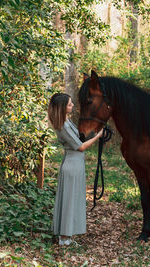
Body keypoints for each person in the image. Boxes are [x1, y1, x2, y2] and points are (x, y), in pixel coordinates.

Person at [48, 93, 103, 245]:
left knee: (72, 199)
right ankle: (64, 237)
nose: (72, 106)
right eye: (70, 104)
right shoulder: (63, 126)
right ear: (62, 107)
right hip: (72, 164)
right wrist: (98, 136)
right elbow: (80, 146)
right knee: (69, 201)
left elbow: (80, 137)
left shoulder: (67, 121)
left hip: (76, 164)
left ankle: (67, 235)